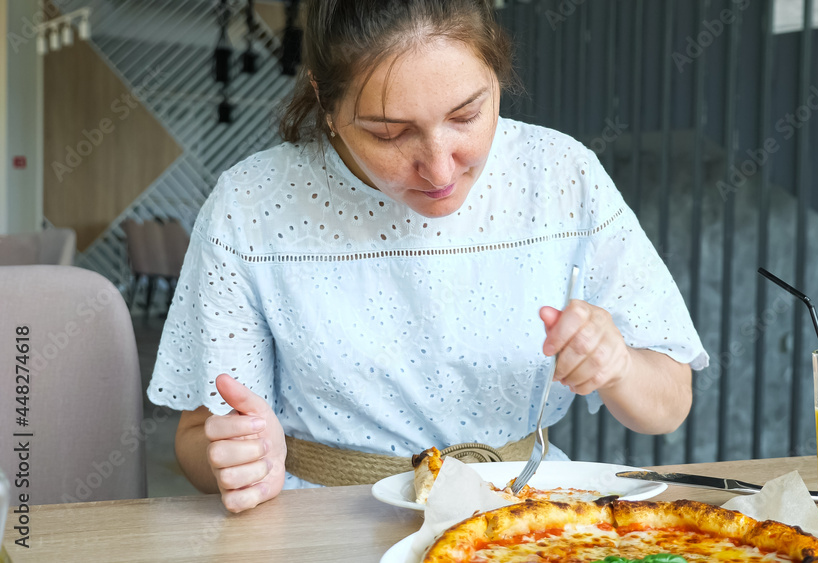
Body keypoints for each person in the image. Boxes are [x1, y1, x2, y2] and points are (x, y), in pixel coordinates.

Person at [148, 0, 708, 514]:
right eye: (391, 134)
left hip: (523, 517)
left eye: (466, 116)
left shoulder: (563, 176)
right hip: (320, 521)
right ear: (324, 99)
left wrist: (618, 365)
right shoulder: (249, 205)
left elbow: (668, 403)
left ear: (497, 74)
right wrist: (242, 457)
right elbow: (198, 437)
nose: (440, 170)